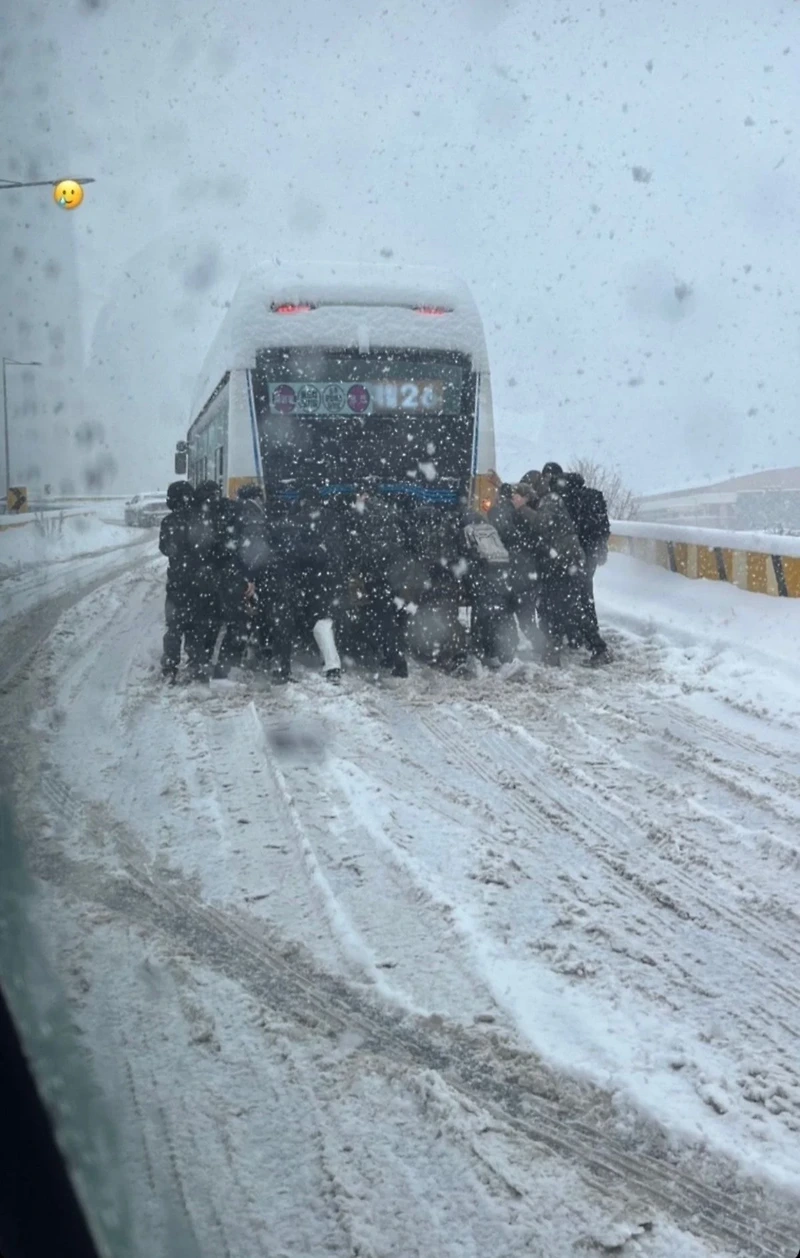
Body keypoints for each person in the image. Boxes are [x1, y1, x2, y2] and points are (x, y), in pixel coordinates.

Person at [507, 476, 587, 667]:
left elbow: (542, 525)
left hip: (563, 562)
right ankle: (560, 643)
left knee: (560, 606)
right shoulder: (546, 502)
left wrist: (522, 509)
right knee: (557, 606)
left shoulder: (549, 501)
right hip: (559, 561)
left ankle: (587, 644)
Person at [269, 487, 344, 683]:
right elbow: (335, 547)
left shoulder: (297, 520)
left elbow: (297, 551)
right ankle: (331, 663)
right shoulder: (332, 518)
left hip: (311, 578)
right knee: (325, 620)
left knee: (316, 620)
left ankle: (330, 665)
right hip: (331, 576)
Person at [538, 463, 610, 662]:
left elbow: (549, 525)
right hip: (586, 553)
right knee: (583, 595)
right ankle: (583, 638)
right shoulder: (592, 495)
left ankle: (583, 641)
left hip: (569, 554)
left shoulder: (558, 497)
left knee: (565, 599)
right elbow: (603, 524)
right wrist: (601, 547)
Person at [158, 480, 198, 682]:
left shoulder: (168, 522)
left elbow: (164, 549)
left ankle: (170, 666)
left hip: (176, 580)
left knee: (173, 625)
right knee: (194, 625)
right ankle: (193, 662)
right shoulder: (199, 520)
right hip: (197, 581)